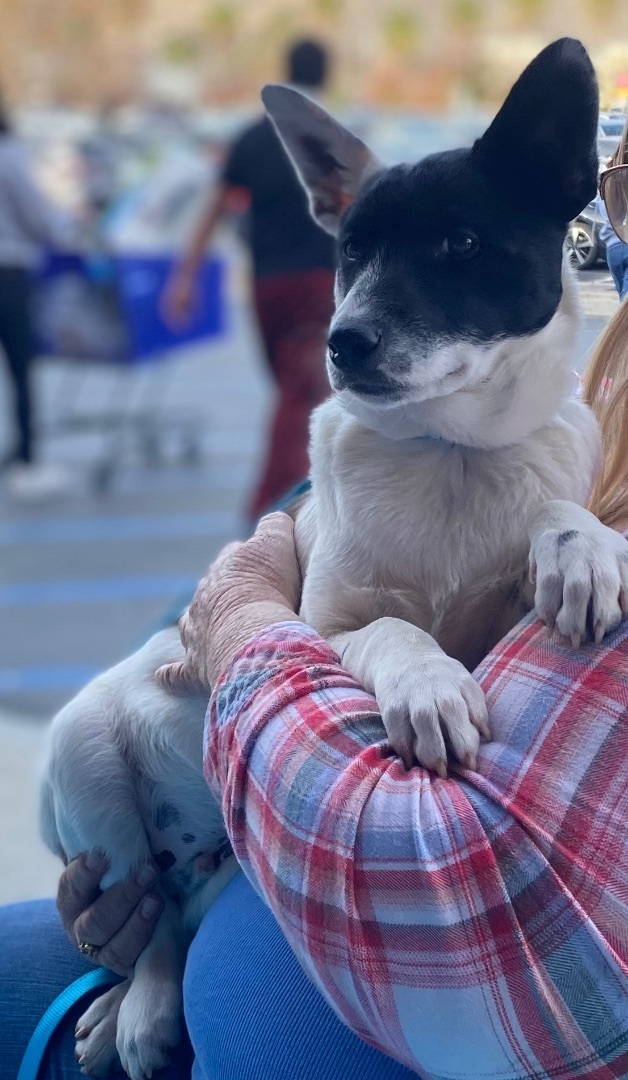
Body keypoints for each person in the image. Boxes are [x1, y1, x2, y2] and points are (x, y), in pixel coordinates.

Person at [2, 298, 628, 1078]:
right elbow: (247, 602)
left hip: (295, 978)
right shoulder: (552, 431)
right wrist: (139, 951)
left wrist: (244, 625)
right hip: (222, 886)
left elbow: (434, 870)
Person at [163, 39, 336, 523]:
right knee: (301, 390)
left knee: (290, 387)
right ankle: (274, 504)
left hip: (266, 287)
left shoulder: (251, 138)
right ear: (326, 76)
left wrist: (183, 278)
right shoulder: (328, 140)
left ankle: (288, 501)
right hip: (317, 286)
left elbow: (211, 211)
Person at [0, 98, 73, 501]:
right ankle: (28, 458)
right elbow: (37, 218)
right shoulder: (9, 155)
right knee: (19, 369)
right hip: (9, 272)